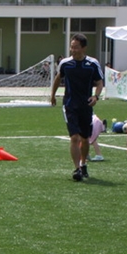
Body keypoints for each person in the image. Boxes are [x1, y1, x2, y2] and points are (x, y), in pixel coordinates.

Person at [50, 33, 104, 181]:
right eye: (71, 47)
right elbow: (57, 78)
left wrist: (96, 96)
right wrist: (53, 95)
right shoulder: (66, 63)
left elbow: (99, 83)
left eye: (76, 47)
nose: (73, 50)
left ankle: (83, 163)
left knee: (85, 138)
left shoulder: (92, 64)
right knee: (74, 137)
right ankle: (77, 169)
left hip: (85, 106)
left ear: (84, 48)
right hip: (69, 105)